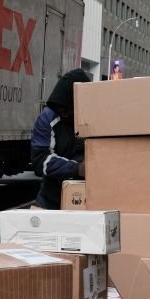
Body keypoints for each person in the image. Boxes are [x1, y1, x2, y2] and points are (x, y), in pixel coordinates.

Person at [31, 69, 91, 210]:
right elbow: (41, 159)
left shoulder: (92, 119)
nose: (62, 113)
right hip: (51, 200)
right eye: (60, 110)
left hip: (87, 200)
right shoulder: (48, 118)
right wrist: (77, 169)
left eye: (66, 110)